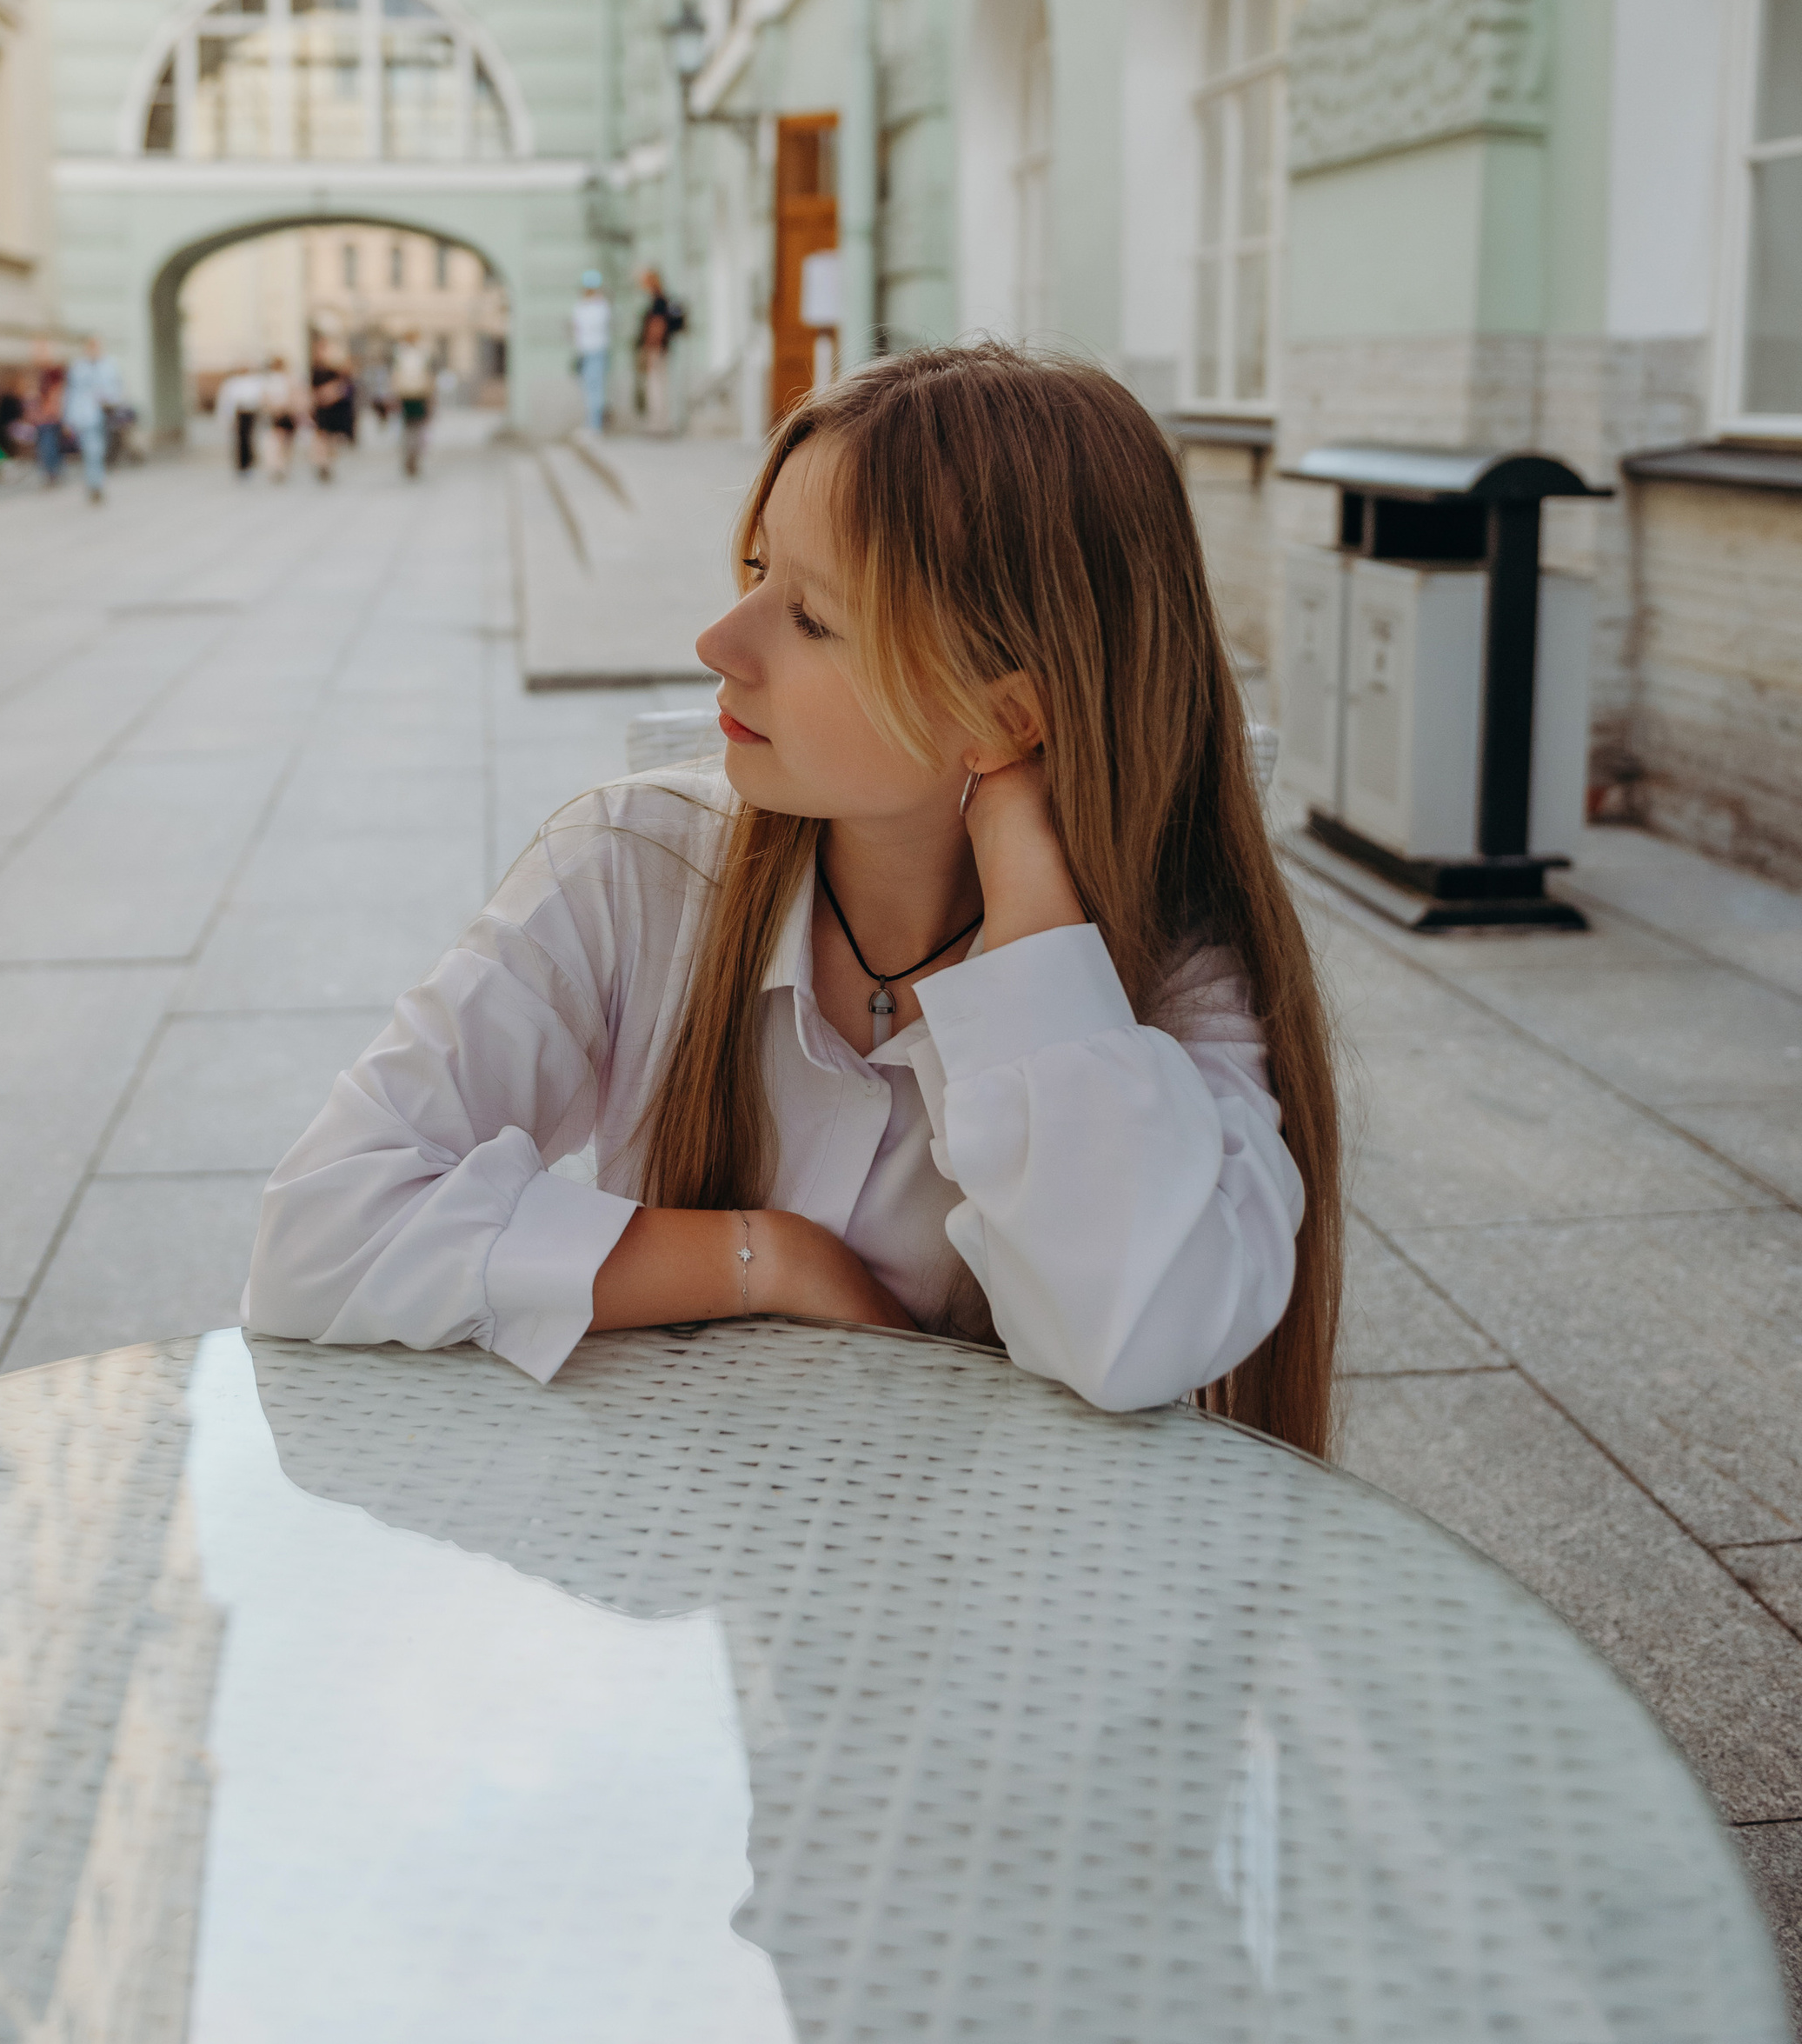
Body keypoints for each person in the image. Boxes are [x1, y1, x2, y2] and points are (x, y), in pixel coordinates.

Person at [244, 348, 1341, 1455]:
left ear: (1009, 717)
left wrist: (1024, 890)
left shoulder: (1163, 974)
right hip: (688, 1540)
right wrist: (763, 1259)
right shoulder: (632, 870)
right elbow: (318, 1233)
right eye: (758, 569)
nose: (719, 642)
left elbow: (1137, 1336)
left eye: (811, 617)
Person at [62, 334, 123, 504]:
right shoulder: (78, 368)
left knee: (99, 451)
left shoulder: (109, 365)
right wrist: (67, 420)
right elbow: (70, 394)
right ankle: (95, 485)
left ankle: (95, 483)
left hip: (105, 416)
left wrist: (109, 398)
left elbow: (117, 388)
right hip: (85, 417)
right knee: (92, 451)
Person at [636, 269, 684, 434]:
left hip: (656, 350)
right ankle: (660, 423)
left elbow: (657, 327)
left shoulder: (658, 301)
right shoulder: (661, 300)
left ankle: (659, 424)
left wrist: (649, 349)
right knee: (659, 386)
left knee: (655, 387)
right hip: (660, 349)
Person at [308, 342, 357, 481]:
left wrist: (330, 393)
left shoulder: (336, 371)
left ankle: (328, 462)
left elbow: (345, 387)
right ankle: (323, 463)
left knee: (332, 439)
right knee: (322, 437)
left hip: (335, 408)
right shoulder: (315, 370)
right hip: (322, 409)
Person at [571, 270, 612, 435]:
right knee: (589, 389)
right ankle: (591, 423)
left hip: (596, 351)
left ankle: (595, 425)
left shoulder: (600, 306)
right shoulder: (583, 305)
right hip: (585, 352)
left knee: (596, 389)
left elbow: (590, 327)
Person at [390, 333, 434, 477]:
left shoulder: (401, 354)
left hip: (408, 394)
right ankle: (413, 453)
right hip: (417, 394)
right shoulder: (421, 354)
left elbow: (395, 377)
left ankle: (410, 452)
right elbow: (428, 376)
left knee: (409, 427)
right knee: (416, 427)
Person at [29, 342, 68, 485]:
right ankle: (52, 472)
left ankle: (52, 473)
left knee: (49, 445)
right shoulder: (42, 372)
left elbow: (56, 394)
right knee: (49, 445)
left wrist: (49, 411)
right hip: (44, 416)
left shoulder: (53, 373)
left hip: (49, 416)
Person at [219, 362, 266, 477]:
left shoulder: (255, 381)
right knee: (242, 439)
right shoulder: (233, 382)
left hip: (252, 412)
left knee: (252, 438)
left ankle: (251, 462)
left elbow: (260, 398)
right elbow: (228, 401)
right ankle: (242, 465)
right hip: (240, 413)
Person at [257, 356, 299, 482]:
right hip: (280, 414)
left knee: (278, 442)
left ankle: (279, 466)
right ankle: (280, 466)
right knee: (281, 442)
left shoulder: (272, 380)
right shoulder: (285, 379)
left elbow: (264, 398)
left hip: (281, 414)